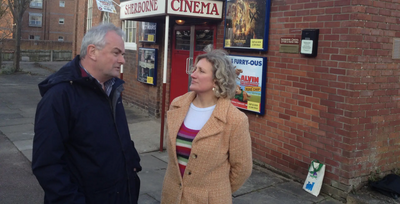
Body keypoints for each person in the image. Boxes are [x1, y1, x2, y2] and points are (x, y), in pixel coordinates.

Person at [32, 23, 141, 204]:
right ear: (92, 52)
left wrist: (132, 163)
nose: (123, 60)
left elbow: (119, 136)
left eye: (123, 54)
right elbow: (47, 164)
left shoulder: (112, 89)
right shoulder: (59, 96)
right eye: (116, 53)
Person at [161, 49, 252, 204]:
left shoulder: (235, 119)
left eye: (201, 71)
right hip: (172, 196)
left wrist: (217, 190)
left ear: (217, 80)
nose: (193, 74)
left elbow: (242, 168)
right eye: (194, 69)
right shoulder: (177, 106)